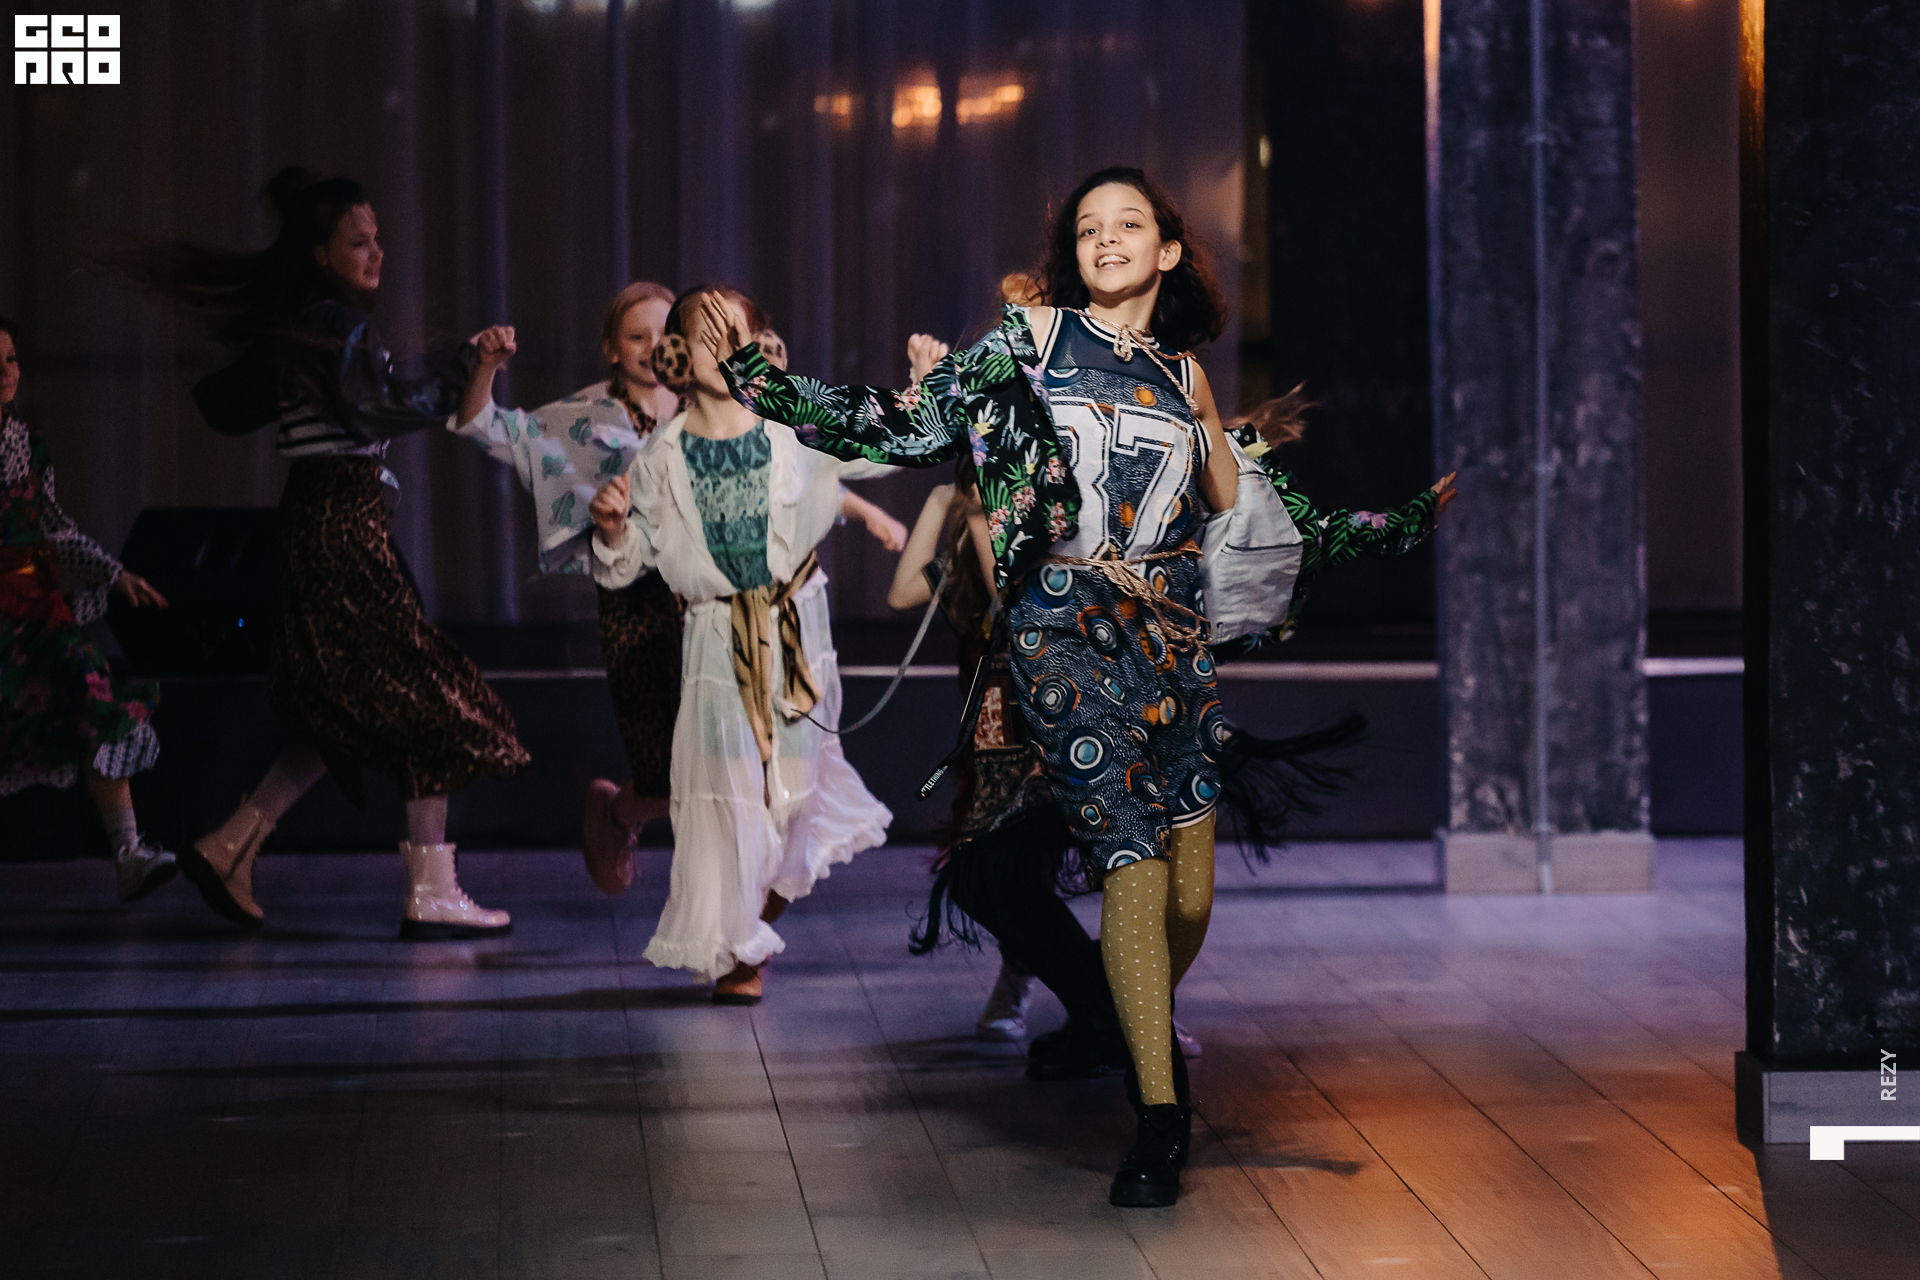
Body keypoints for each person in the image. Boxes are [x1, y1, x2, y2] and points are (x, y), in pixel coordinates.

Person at [702, 167, 1456, 1206]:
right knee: (1130, 865)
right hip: (1061, 629)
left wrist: (1389, 526)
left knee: (1189, 894)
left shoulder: (1185, 374)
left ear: (1169, 251)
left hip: (1173, 642)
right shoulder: (1030, 340)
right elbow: (906, 423)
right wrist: (760, 381)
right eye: (1089, 226)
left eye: (1128, 223)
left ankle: (1121, 1017)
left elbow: (1249, 516)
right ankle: (1160, 1115)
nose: (1105, 238)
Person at [122, 166, 531, 938]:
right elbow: (378, 410)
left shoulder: (311, 327)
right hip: (341, 527)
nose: (377, 254)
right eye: (358, 242)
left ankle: (231, 845)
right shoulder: (335, 326)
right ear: (321, 254)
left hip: (321, 522)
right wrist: (460, 369)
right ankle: (431, 888)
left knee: (339, 707)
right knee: (429, 695)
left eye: (377, 240)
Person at [586, 285, 899, 1004]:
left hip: (794, 636)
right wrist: (613, 530)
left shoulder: (791, 434)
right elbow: (631, 561)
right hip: (716, 642)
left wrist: (920, 385)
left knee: (796, 798)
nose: (724, 350)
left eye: (738, 337)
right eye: (707, 337)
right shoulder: (662, 455)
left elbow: (877, 449)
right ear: (675, 355)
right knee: (730, 795)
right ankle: (737, 948)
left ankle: (749, 923)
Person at [0, 316, 177, 901]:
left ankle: (128, 853)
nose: (5, 373)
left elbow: (53, 527)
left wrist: (113, 572)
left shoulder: (29, 445)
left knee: (91, 694)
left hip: (35, 614)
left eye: (10, 360)